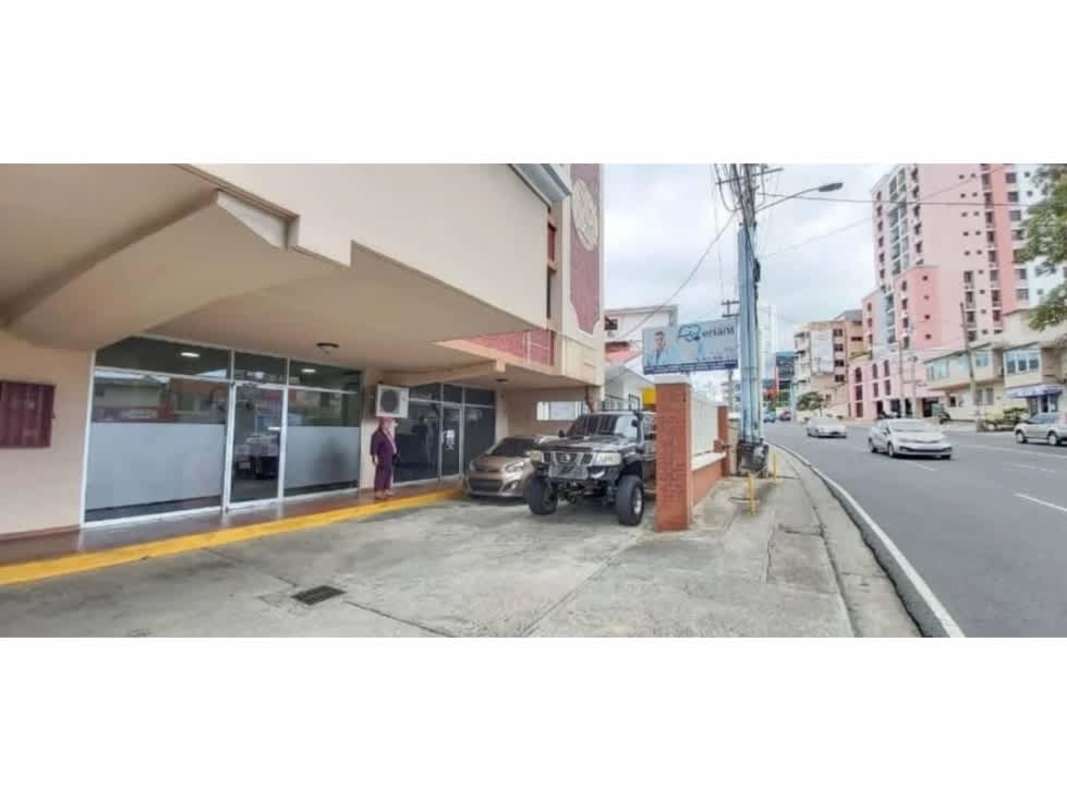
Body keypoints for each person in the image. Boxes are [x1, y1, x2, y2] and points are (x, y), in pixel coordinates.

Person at [370, 417, 397, 500]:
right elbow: (374, 446)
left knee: (388, 473)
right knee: (381, 474)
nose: (388, 425)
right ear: (381, 424)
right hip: (382, 457)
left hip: (389, 457)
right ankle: (378, 492)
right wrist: (374, 457)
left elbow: (391, 443)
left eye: (389, 423)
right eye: (386, 423)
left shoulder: (387, 433)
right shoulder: (377, 434)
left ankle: (386, 489)